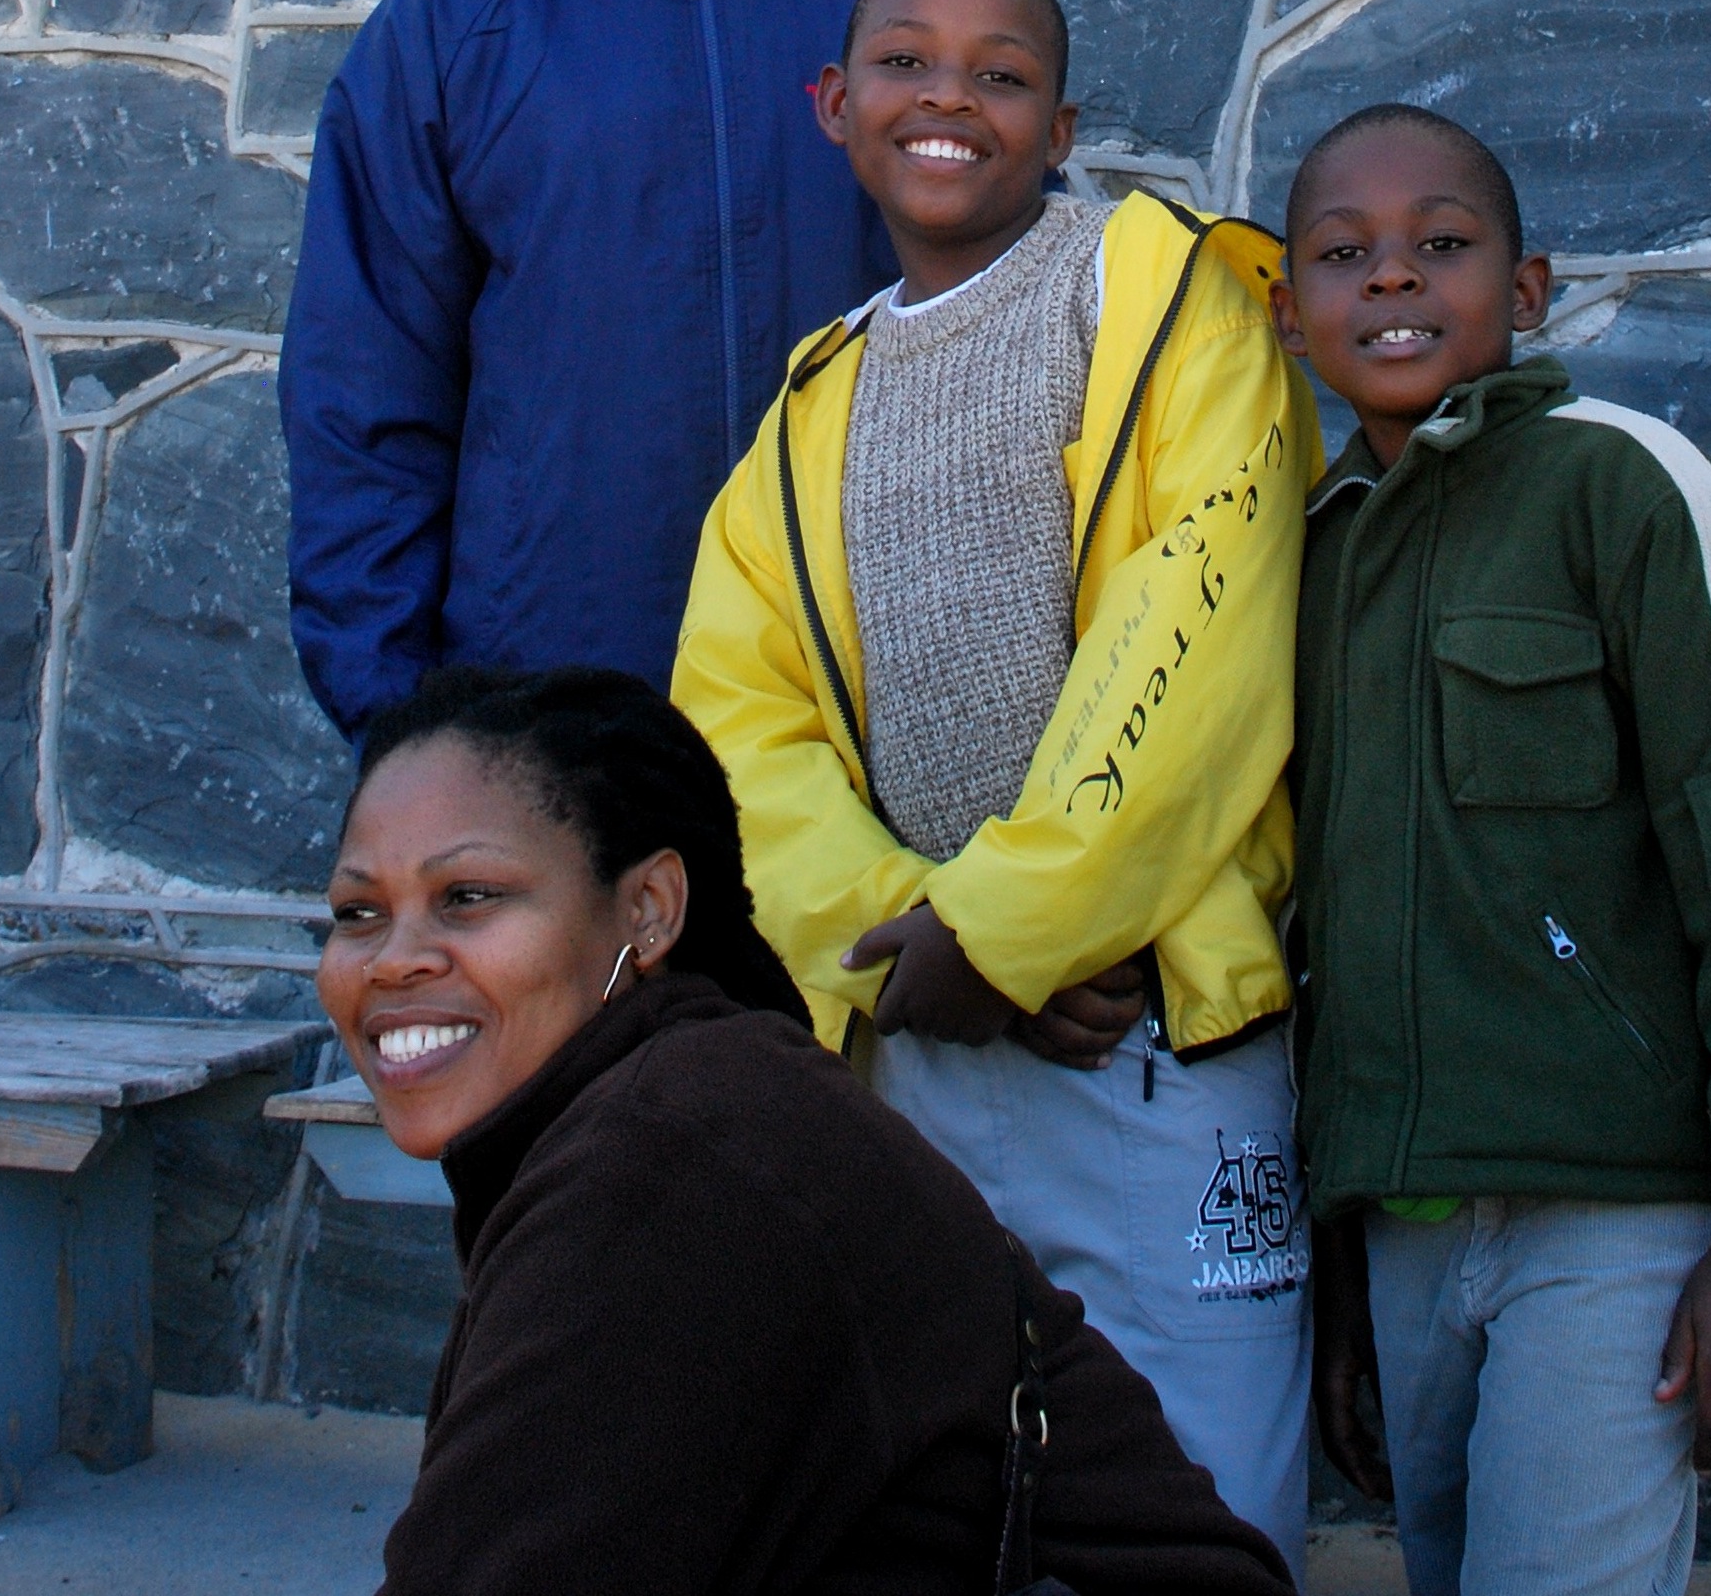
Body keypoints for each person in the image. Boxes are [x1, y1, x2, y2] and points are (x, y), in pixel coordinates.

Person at [674, 0, 1317, 1575]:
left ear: (1058, 122)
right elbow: (739, 726)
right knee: (948, 1496)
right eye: (904, 61)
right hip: (922, 1044)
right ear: (836, 104)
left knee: (1195, 1511)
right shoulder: (811, 409)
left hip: (1143, 1033)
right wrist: (908, 947)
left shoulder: (1165, 297)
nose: (948, 94)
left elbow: (1201, 631)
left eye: (1001, 73)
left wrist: (1012, 932)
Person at [1268, 102, 1711, 1596]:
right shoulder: (1308, 555)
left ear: (1532, 286)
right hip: (1410, 1230)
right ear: (1291, 315)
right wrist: (1345, 1256)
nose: (1390, 281)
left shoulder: (1623, 488)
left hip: (1623, 1217)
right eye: (1342, 254)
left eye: (1442, 245)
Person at [319, 659, 1296, 1596]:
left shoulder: (668, 1164)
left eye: (470, 897)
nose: (393, 960)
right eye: (358, 913)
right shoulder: (675, 1099)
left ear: (649, 911)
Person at [282, 0, 919, 732]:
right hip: (564, 731)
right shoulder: (448, 25)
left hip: (868, 713)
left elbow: (1023, 333)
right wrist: (401, 727)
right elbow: (360, 404)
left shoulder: (900, 2)